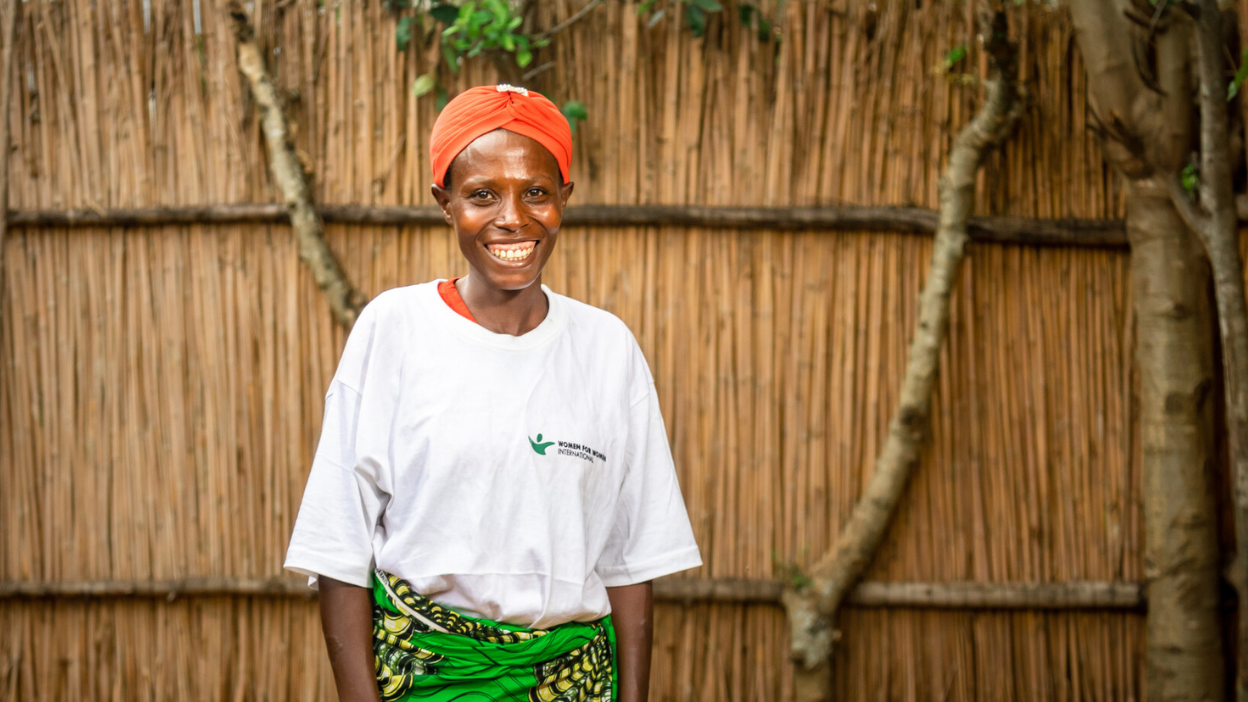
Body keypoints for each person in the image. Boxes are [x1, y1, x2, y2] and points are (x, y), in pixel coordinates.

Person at [284, 84, 702, 702]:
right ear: (445, 203)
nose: (513, 217)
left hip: (575, 681)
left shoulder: (606, 348)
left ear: (564, 198)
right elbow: (339, 544)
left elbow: (630, 557)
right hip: (428, 679)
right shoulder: (395, 329)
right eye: (483, 194)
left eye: (536, 192)